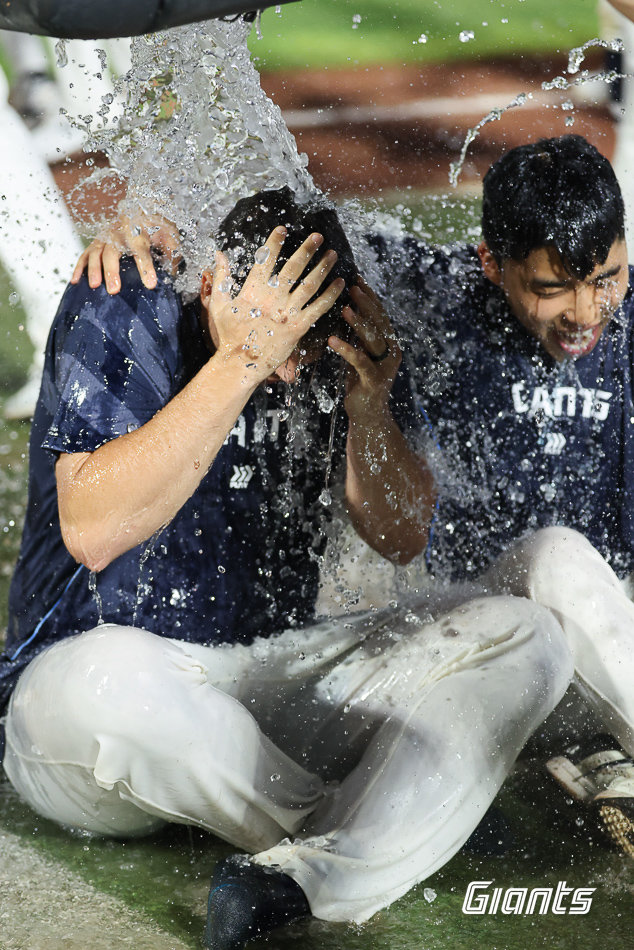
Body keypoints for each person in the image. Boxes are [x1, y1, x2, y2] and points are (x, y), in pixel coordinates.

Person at [0, 185, 573, 949]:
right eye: (280, 338)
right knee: (103, 683)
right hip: (95, 712)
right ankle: (381, 823)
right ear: (213, 285)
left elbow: (403, 537)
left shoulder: (335, 333)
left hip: (264, 685)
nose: (293, 373)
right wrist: (243, 358)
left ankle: (305, 878)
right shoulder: (126, 294)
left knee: (525, 630)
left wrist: (371, 405)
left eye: (307, 346)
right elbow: (94, 528)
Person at [368, 133, 634, 855]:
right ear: (491, 263)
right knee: (557, 557)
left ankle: (602, 751)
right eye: (552, 288)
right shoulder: (432, 298)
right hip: (487, 647)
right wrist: (147, 224)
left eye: (606, 277)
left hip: (611, 649)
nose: (587, 312)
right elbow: (294, 233)